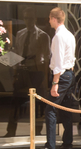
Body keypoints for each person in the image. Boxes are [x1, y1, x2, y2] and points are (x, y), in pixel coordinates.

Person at [5, 7, 51, 137]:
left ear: (35, 19)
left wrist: (44, 78)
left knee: (38, 104)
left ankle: (37, 132)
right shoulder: (20, 34)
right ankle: (10, 132)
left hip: (36, 72)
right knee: (15, 102)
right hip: (22, 72)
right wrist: (14, 71)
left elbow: (47, 57)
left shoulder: (42, 36)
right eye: (26, 18)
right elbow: (17, 52)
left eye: (30, 18)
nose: (28, 21)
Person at [37, 7, 76, 149]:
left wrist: (55, 83)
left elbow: (58, 62)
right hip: (69, 75)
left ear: (54, 19)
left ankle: (50, 145)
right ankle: (67, 143)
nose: (48, 21)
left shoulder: (59, 36)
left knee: (50, 109)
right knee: (65, 110)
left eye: (49, 18)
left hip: (62, 76)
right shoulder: (70, 35)